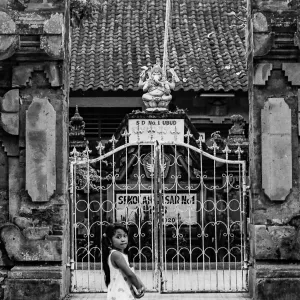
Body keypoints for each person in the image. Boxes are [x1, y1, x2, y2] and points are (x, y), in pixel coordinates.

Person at [102, 223, 145, 299]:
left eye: (125, 236)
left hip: (120, 292)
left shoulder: (118, 254)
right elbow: (129, 274)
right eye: (118, 237)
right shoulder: (116, 255)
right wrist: (139, 288)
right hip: (120, 294)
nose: (123, 239)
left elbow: (130, 272)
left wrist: (140, 284)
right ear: (110, 240)